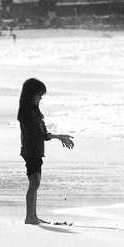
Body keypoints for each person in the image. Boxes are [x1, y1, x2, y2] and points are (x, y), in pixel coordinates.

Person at [17, 77, 74, 225]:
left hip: (35, 150)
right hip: (30, 150)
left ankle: (33, 216)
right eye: (39, 95)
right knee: (34, 182)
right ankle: (30, 217)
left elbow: (41, 133)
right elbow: (39, 134)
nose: (40, 98)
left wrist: (57, 136)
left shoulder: (33, 111)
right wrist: (58, 136)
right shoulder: (27, 113)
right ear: (31, 94)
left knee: (35, 182)